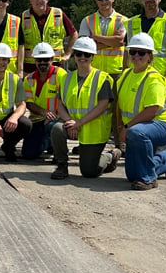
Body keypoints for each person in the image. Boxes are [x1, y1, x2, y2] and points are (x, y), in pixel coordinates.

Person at [116, 33, 166, 190]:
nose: (136, 56)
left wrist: (126, 128)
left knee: (137, 133)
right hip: (139, 127)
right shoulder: (125, 75)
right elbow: (118, 105)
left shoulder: (154, 78)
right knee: (132, 175)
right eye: (133, 52)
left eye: (142, 52)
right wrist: (120, 128)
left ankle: (149, 179)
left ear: (150, 56)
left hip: (165, 123)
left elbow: (151, 111)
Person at [50, 37, 119, 180]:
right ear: (74, 55)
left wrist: (79, 123)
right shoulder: (66, 78)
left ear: (92, 57)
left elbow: (102, 105)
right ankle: (62, 165)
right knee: (57, 128)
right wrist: (69, 121)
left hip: (94, 130)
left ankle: (110, 156)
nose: (82, 57)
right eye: (79, 54)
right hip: (74, 125)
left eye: (87, 55)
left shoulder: (102, 78)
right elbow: (60, 104)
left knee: (89, 172)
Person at [20, 0, 78, 74]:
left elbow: (74, 34)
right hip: (30, 68)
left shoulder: (58, 14)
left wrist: (67, 54)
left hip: (55, 67)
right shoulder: (24, 17)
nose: (39, 1)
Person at [22, 42, 67, 160]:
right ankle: (49, 142)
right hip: (37, 120)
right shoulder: (28, 79)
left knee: (53, 127)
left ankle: (57, 146)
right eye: (39, 60)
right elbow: (29, 103)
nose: (42, 62)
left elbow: (67, 100)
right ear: (35, 61)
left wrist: (55, 115)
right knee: (28, 154)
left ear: (52, 59)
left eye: (46, 59)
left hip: (56, 120)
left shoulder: (61, 75)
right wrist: (44, 113)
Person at [79, 0, 127, 78]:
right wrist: (113, 41)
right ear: (96, 0)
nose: (104, 1)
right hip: (93, 71)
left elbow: (120, 41)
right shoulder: (87, 20)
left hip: (116, 72)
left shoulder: (123, 20)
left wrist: (95, 37)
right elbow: (84, 48)